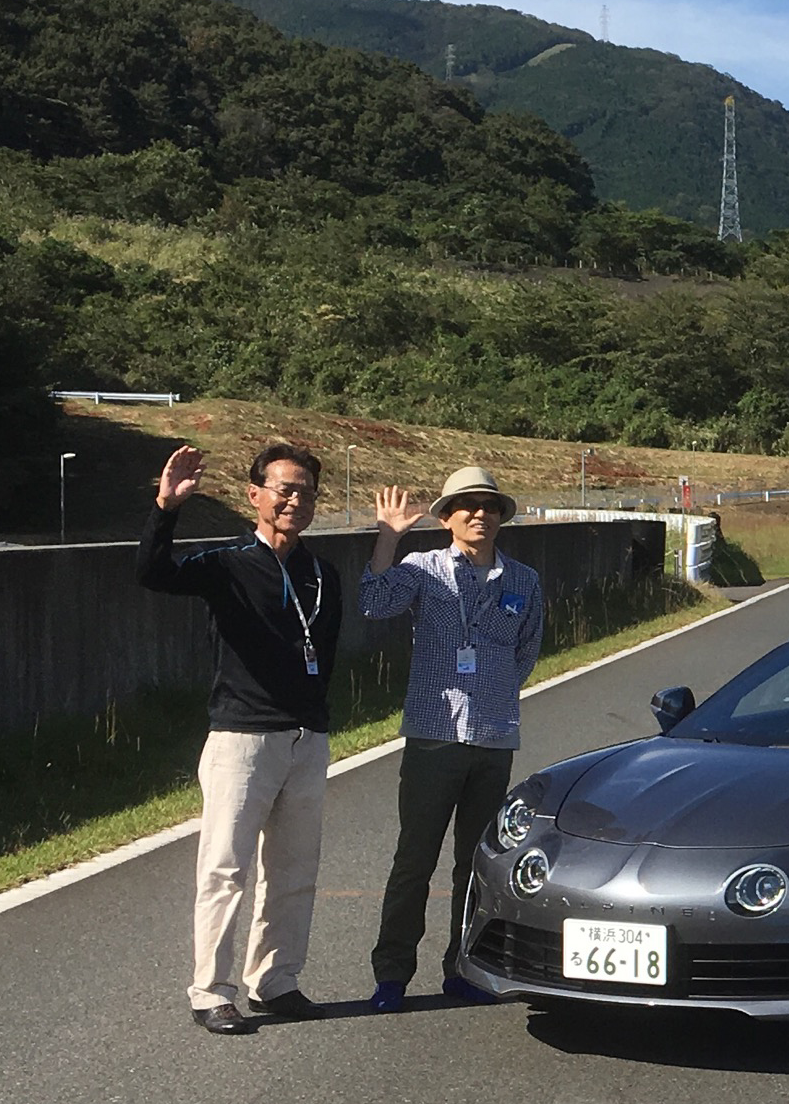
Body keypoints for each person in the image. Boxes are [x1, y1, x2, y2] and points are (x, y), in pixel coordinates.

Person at [138, 441, 345, 1035]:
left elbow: (323, 654)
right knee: (226, 869)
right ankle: (211, 991)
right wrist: (166, 508)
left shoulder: (322, 574)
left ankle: (276, 980)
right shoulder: (226, 563)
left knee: (294, 870)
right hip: (242, 738)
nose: (295, 500)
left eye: (306, 492)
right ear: (255, 495)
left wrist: (316, 720)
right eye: (284, 489)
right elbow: (152, 573)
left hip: (306, 738)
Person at [360, 466, 543, 1013]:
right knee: (414, 860)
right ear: (446, 517)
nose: (480, 514)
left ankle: (463, 967)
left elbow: (527, 650)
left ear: (501, 517)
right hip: (434, 737)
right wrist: (388, 538)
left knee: (477, 862)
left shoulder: (523, 580)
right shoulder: (423, 569)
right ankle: (392, 973)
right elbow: (374, 602)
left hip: (493, 736)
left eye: (490, 506)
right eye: (467, 506)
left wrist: (493, 692)